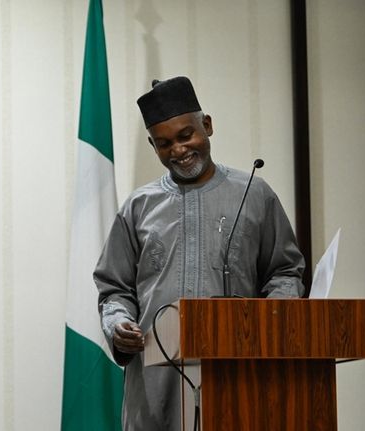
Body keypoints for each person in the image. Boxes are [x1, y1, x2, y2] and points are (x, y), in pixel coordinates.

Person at [94, 76, 305, 430]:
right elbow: (113, 287)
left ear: (206, 126)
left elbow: (284, 271)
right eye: (163, 144)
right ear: (153, 145)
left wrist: (274, 317)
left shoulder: (254, 194)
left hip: (237, 375)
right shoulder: (139, 206)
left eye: (185, 135)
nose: (177, 150)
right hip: (155, 382)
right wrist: (118, 324)